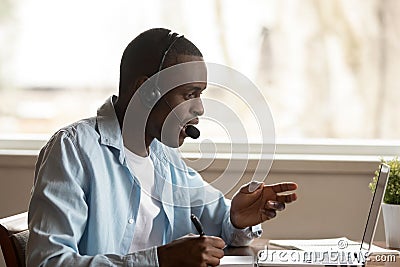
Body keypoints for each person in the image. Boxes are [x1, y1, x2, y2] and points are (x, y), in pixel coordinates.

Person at [26, 28, 297, 267]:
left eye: (200, 95)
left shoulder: (164, 156)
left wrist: (237, 218)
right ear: (145, 91)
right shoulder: (73, 149)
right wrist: (159, 261)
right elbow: (47, 262)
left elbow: (219, 221)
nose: (200, 108)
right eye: (189, 94)